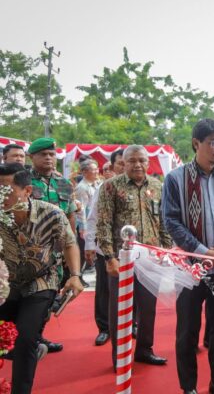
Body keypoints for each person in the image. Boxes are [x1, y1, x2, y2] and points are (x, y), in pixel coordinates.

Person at [163, 119, 214, 394]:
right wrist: (201, 251)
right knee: (187, 331)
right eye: (212, 142)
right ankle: (188, 387)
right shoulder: (175, 178)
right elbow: (172, 221)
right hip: (190, 269)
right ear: (196, 144)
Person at [0, 163, 83, 394]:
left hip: (41, 280)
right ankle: (31, 351)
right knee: (9, 341)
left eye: (5, 189)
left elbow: (69, 244)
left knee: (26, 337)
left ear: (26, 191)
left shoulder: (51, 213)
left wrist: (75, 276)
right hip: (6, 283)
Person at [96, 145, 171, 370]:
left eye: (142, 160)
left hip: (151, 256)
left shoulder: (158, 186)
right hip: (122, 258)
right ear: (124, 163)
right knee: (120, 309)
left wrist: (166, 249)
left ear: (148, 163)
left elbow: (164, 221)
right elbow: (103, 223)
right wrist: (109, 258)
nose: (137, 164)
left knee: (148, 307)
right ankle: (120, 356)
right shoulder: (110, 186)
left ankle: (145, 350)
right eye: (132, 161)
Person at [27, 137, 77, 354]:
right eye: (43, 154)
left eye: (51, 154)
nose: (48, 158)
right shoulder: (23, 181)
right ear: (32, 157)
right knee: (30, 297)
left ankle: (37, 336)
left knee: (50, 296)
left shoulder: (64, 184)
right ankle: (26, 339)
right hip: (30, 250)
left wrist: (72, 246)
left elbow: (71, 215)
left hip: (57, 251)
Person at [85, 149, 125, 347]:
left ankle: (131, 324)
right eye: (121, 163)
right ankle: (104, 328)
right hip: (107, 250)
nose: (127, 166)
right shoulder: (105, 188)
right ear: (113, 166)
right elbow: (93, 217)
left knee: (134, 289)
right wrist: (90, 245)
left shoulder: (145, 187)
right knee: (105, 290)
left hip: (134, 251)